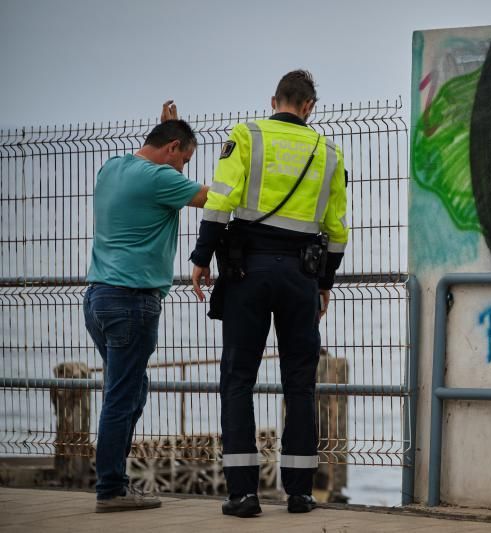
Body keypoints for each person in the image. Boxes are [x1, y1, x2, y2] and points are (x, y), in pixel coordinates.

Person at [189, 70, 348, 518]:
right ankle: (298, 493)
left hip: (247, 272)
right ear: (309, 107)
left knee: (238, 379)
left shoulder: (246, 135)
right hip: (301, 276)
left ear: (274, 99)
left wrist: (202, 257)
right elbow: (337, 229)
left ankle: (243, 495)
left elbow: (220, 201)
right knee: (300, 382)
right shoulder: (329, 153)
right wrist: (324, 283)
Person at [85, 101, 209, 513]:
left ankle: (114, 479)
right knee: (122, 396)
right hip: (132, 302)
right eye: (184, 159)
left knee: (131, 389)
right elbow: (213, 198)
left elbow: (154, 164)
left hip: (98, 299)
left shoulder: (112, 167)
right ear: (173, 148)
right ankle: (111, 488)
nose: (183, 171)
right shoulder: (161, 179)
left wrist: (168, 133)